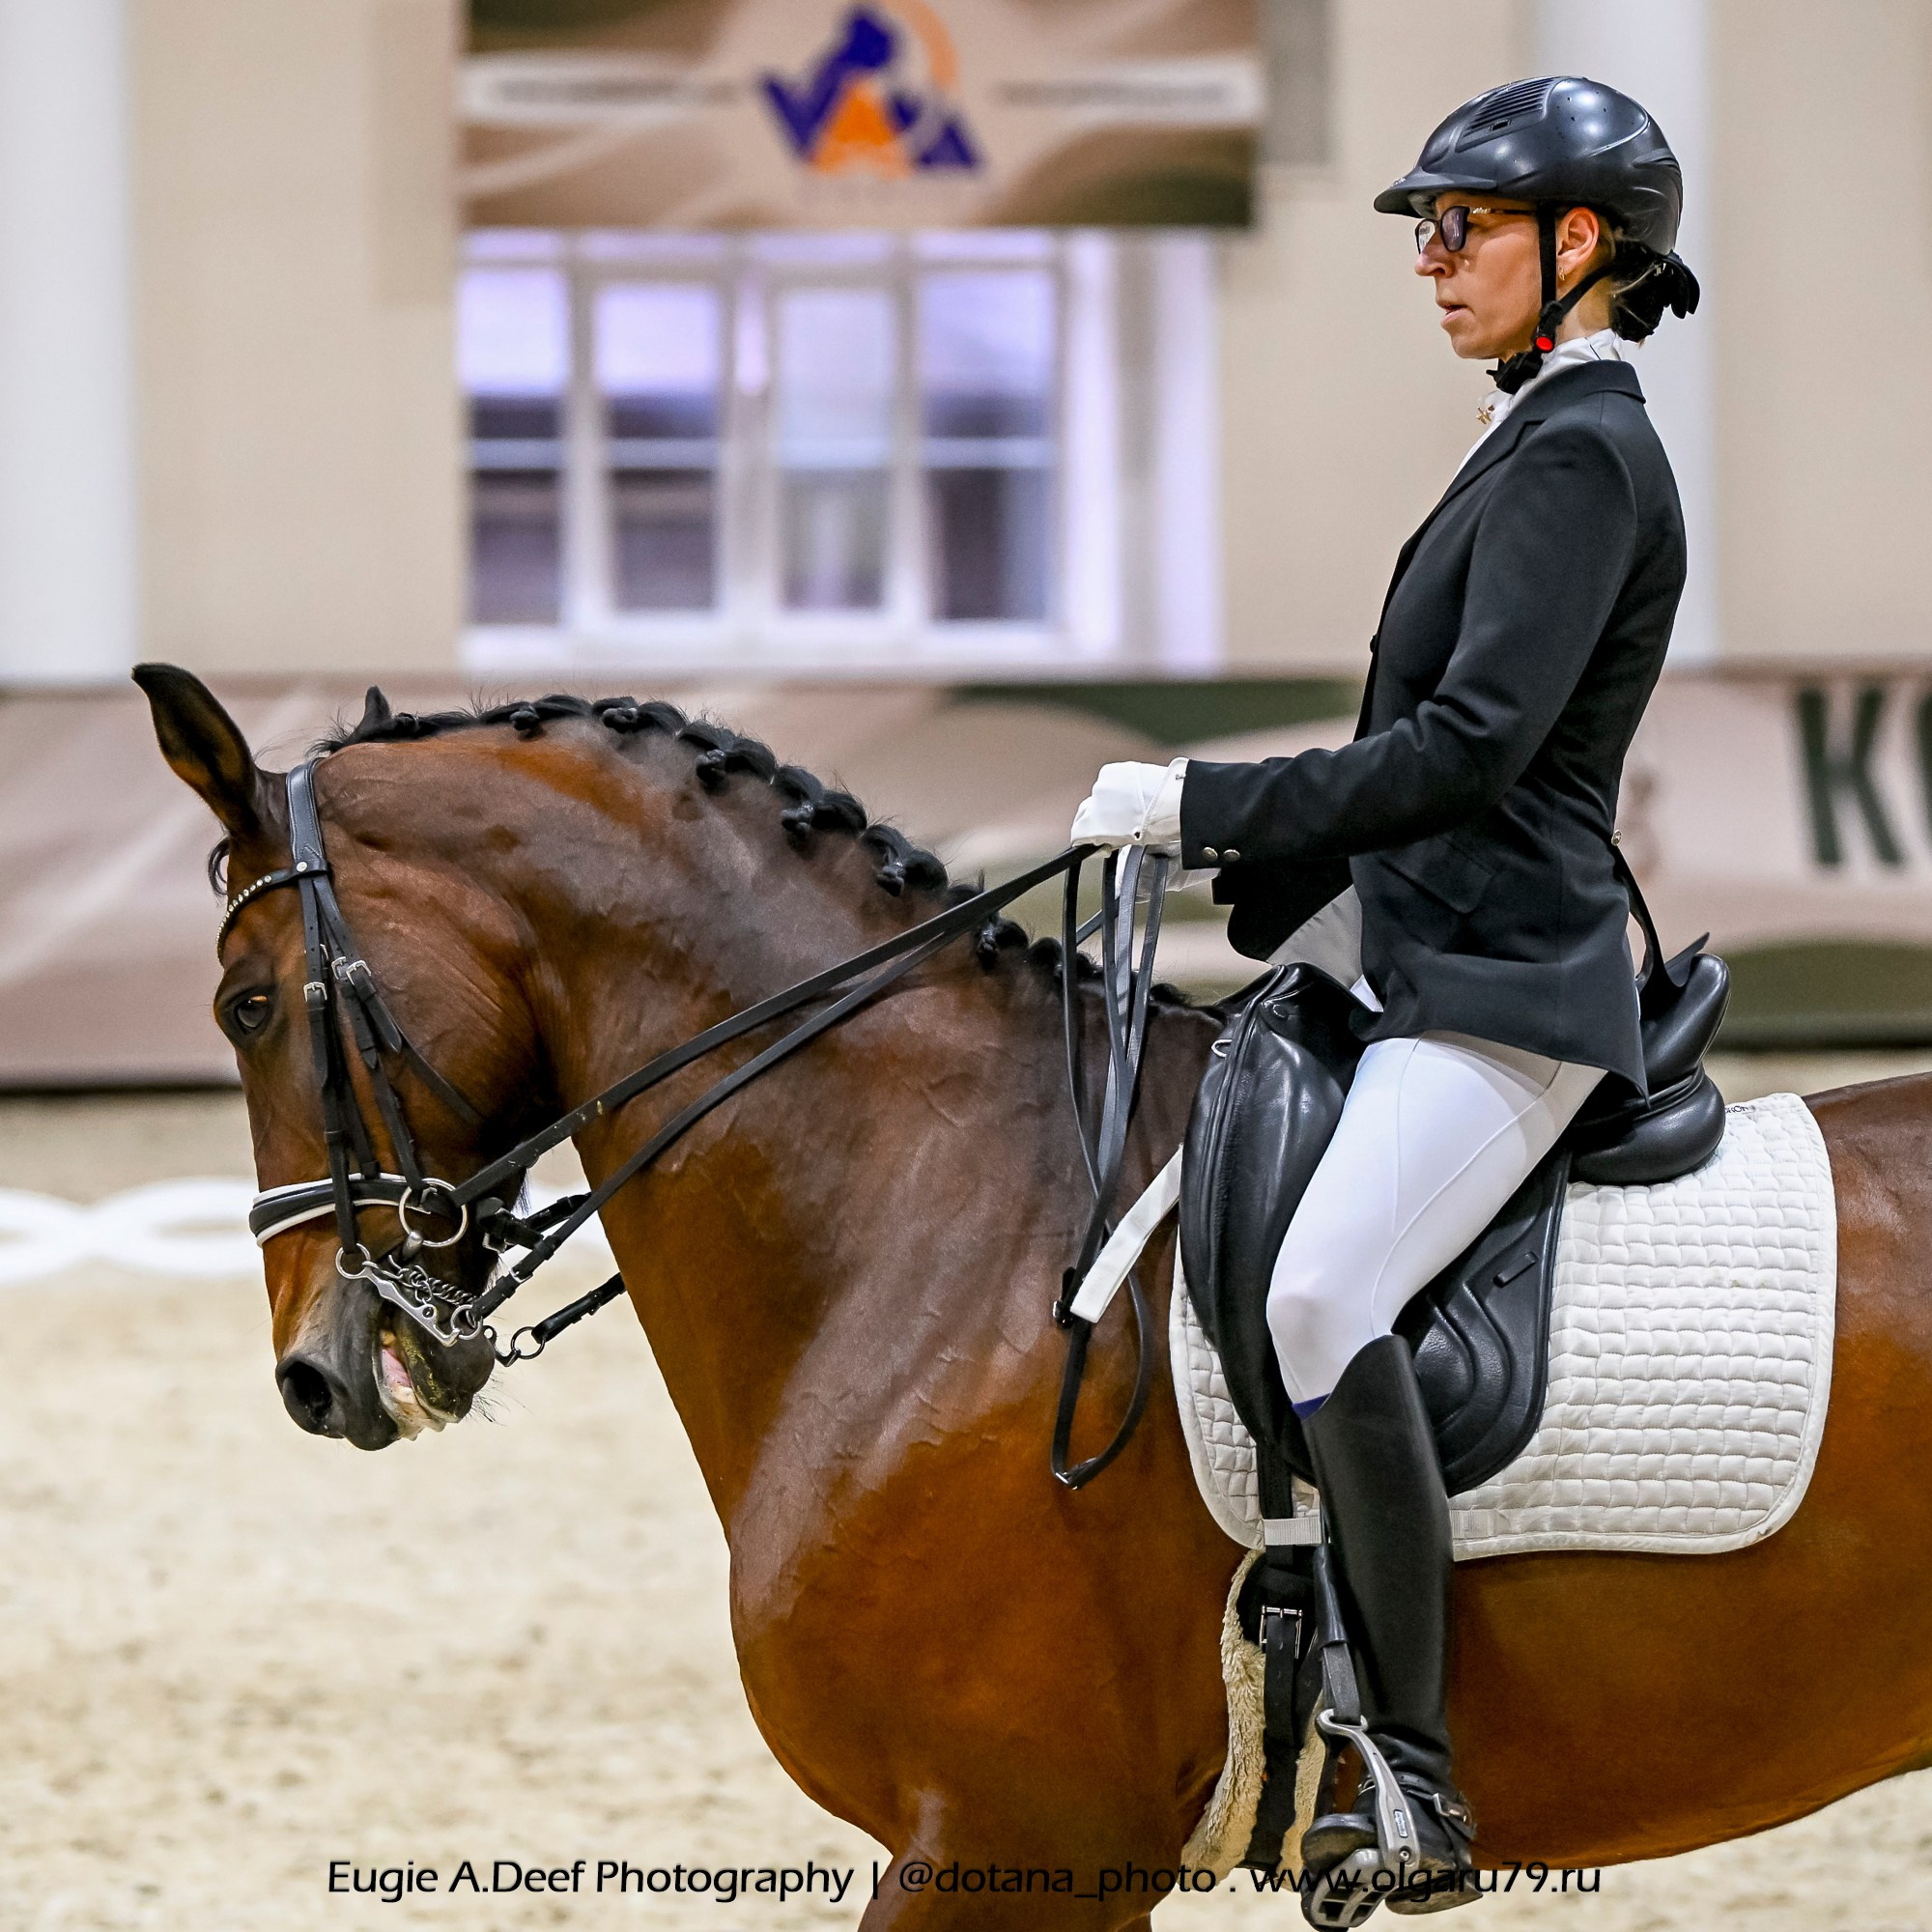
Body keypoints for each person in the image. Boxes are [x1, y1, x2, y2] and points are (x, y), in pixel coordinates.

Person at [1070, 76, 1700, 1914]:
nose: (1431, 263)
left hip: (1512, 991)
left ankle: (1414, 1777)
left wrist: (1205, 802)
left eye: (1466, 230)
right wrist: (1286, 869)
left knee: (1325, 1285)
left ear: (1578, 248)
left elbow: (1480, 744)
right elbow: (1421, 756)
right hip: (1428, 951)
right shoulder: (1533, 439)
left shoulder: (1584, 453)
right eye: (1425, 231)